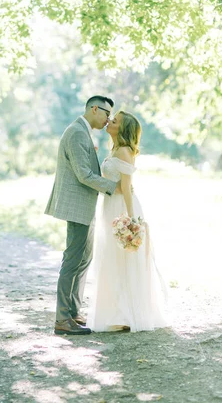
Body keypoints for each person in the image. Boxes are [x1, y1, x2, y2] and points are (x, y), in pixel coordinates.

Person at [87, 111, 169, 332]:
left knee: (124, 259)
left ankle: (127, 313)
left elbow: (125, 187)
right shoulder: (114, 149)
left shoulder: (123, 151)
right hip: (110, 206)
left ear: (122, 129)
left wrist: (132, 221)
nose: (109, 122)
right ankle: (116, 311)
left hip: (122, 207)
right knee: (112, 258)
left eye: (114, 121)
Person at [45, 95, 119, 336]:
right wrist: (113, 187)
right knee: (73, 261)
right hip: (77, 206)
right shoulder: (77, 132)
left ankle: (74, 313)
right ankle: (63, 319)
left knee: (84, 260)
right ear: (94, 109)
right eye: (107, 114)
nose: (108, 120)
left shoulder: (82, 132)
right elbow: (83, 175)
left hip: (84, 206)